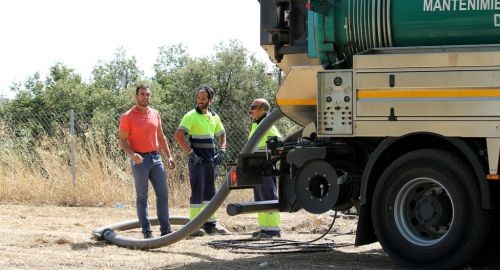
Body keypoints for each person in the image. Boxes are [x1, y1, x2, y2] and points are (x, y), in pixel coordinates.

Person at [119, 84, 176, 239]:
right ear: (136, 96)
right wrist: (132, 154)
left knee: (163, 195)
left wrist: (169, 155)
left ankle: (165, 230)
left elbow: (161, 137)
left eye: (148, 94)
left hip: (156, 158)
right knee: (142, 197)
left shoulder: (155, 113)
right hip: (140, 160)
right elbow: (123, 141)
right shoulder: (128, 116)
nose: (145, 97)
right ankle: (146, 231)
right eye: (142, 94)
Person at [174, 85, 229, 235]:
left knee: (210, 192)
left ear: (210, 100)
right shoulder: (191, 115)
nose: (200, 100)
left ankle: (211, 224)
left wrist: (222, 149)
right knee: (198, 191)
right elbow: (178, 135)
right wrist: (190, 153)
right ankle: (194, 226)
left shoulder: (214, 116)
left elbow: (222, 134)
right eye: (198, 98)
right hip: (197, 161)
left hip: (210, 160)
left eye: (203, 98)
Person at [248, 98, 282, 239]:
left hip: (265, 167)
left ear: (263, 109)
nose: (250, 110)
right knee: (260, 197)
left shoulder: (267, 125)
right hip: (256, 166)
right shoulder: (256, 125)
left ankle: (273, 230)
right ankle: (265, 228)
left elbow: (279, 144)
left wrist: (268, 160)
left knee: (268, 196)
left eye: (253, 107)